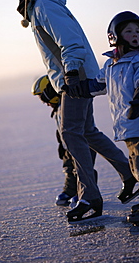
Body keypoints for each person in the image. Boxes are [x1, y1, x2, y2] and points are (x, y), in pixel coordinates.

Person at [9, 0, 138, 222]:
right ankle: (129, 174)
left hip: (75, 78)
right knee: (87, 131)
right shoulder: (40, 6)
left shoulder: (44, 6)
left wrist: (70, 76)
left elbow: (71, 42)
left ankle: (89, 197)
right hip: (76, 76)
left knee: (70, 133)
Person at [80, 11, 139, 225]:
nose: (135, 34)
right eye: (129, 31)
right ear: (114, 35)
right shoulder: (111, 65)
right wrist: (78, 88)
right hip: (127, 126)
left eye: (138, 31)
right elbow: (98, 85)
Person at [32, 74, 98, 207]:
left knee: (82, 168)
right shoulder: (57, 110)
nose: (45, 103)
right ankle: (70, 190)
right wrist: (62, 145)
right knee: (69, 168)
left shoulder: (69, 105)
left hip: (82, 144)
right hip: (68, 146)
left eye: (43, 98)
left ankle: (87, 193)